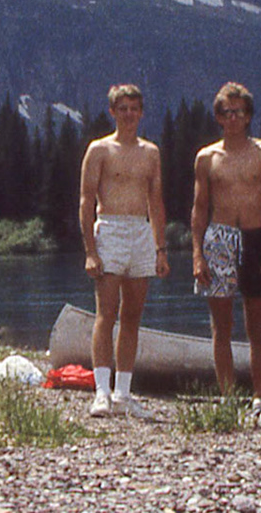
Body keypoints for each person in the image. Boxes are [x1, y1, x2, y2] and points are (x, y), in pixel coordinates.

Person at [191, 80, 261, 426]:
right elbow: (199, 208)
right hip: (218, 239)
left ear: (248, 117)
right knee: (221, 327)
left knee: (256, 327)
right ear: (218, 117)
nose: (232, 118)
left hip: (255, 238)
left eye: (239, 112)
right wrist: (197, 255)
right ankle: (229, 401)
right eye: (226, 112)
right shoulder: (207, 157)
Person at [79, 83, 168, 419]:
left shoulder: (150, 152)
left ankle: (123, 394)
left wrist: (160, 248)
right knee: (107, 313)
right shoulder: (99, 150)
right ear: (112, 112)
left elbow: (156, 201)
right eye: (123, 108)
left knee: (132, 316)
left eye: (134, 108)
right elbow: (87, 200)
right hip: (110, 229)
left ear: (141, 113)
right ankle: (101, 392)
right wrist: (91, 250)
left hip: (140, 231)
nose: (129, 114)